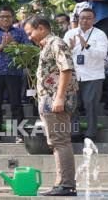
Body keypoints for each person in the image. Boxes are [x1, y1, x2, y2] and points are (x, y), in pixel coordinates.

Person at [24, 17, 78, 196]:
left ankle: (66, 184)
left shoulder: (56, 43)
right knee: (56, 142)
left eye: (30, 32)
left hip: (56, 102)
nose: (29, 36)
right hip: (49, 101)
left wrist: (60, 98)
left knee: (60, 141)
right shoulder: (47, 45)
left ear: (41, 28)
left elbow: (66, 69)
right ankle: (62, 183)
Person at [0, 6, 29, 143]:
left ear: (13, 18)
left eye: (8, 16)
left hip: (14, 73)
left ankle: (20, 134)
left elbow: (27, 50)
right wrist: (2, 46)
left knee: (16, 104)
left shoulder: (20, 32)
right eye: (2, 17)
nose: (5, 19)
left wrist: (13, 43)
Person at [63, 8, 108, 141]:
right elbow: (62, 55)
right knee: (73, 106)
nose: (85, 20)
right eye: (82, 17)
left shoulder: (100, 35)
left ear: (94, 20)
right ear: (78, 19)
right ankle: (74, 133)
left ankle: (91, 134)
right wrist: (70, 48)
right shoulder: (70, 33)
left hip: (93, 75)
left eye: (88, 18)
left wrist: (86, 46)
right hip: (74, 75)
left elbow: (101, 55)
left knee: (91, 105)